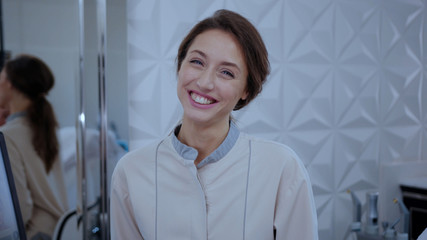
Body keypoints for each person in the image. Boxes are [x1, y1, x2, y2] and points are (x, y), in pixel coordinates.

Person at [110, 9, 318, 240]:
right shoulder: (131, 172)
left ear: (246, 90)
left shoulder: (282, 169)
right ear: (180, 66)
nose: (205, 82)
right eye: (197, 62)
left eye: (227, 72)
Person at [0, 54, 68, 239]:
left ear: (9, 83)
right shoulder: (47, 127)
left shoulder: (9, 135)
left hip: (33, 234)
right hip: (59, 229)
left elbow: (18, 208)